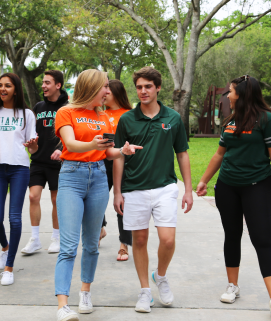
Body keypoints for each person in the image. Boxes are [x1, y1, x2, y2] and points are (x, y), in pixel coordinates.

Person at [196, 75, 271, 316]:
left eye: (230, 91)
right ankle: (233, 286)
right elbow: (220, 154)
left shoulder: (268, 120)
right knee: (232, 235)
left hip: (256, 186)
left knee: (261, 239)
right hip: (227, 187)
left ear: (242, 94)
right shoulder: (231, 120)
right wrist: (204, 180)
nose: (228, 95)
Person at [54, 69, 142, 321]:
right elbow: (70, 145)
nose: (107, 91)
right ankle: (62, 305)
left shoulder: (102, 116)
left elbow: (107, 152)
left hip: (98, 179)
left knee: (92, 244)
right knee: (69, 246)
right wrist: (94, 144)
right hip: (72, 176)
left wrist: (123, 150)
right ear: (91, 87)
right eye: (104, 86)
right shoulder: (66, 112)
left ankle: (85, 293)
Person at [113, 66, 193, 313]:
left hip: (165, 187)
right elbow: (118, 157)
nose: (143, 91)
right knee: (140, 239)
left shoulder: (172, 118)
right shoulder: (126, 119)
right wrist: (117, 192)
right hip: (134, 188)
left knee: (167, 239)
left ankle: (161, 275)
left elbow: (182, 153)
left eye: (148, 86)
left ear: (158, 88)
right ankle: (145, 291)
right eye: (139, 87)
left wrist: (188, 189)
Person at [0, 73, 38, 286]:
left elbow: (33, 147)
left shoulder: (27, 114)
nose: (2, 89)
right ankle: (5, 247)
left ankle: (9, 267)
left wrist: (32, 145)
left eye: (8, 86)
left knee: (14, 218)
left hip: (20, 169)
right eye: (0, 86)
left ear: (16, 89)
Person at [21, 70, 68, 255]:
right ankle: (35, 238)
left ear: (58, 85)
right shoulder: (38, 107)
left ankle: (56, 238)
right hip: (38, 161)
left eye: (47, 82)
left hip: (59, 163)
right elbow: (31, 133)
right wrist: (31, 145)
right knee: (33, 197)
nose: (43, 86)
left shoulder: (67, 108)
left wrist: (63, 150)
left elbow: (74, 135)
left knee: (57, 200)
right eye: (43, 82)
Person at [102, 80, 133, 260]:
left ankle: (124, 243)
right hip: (103, 162)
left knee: (122, 203)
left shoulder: (129, 115)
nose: (104, 94)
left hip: (124, 162)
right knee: (95, 199)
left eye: (108, 91)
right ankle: (100, 227)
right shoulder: (99, 114)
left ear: (117, 93)